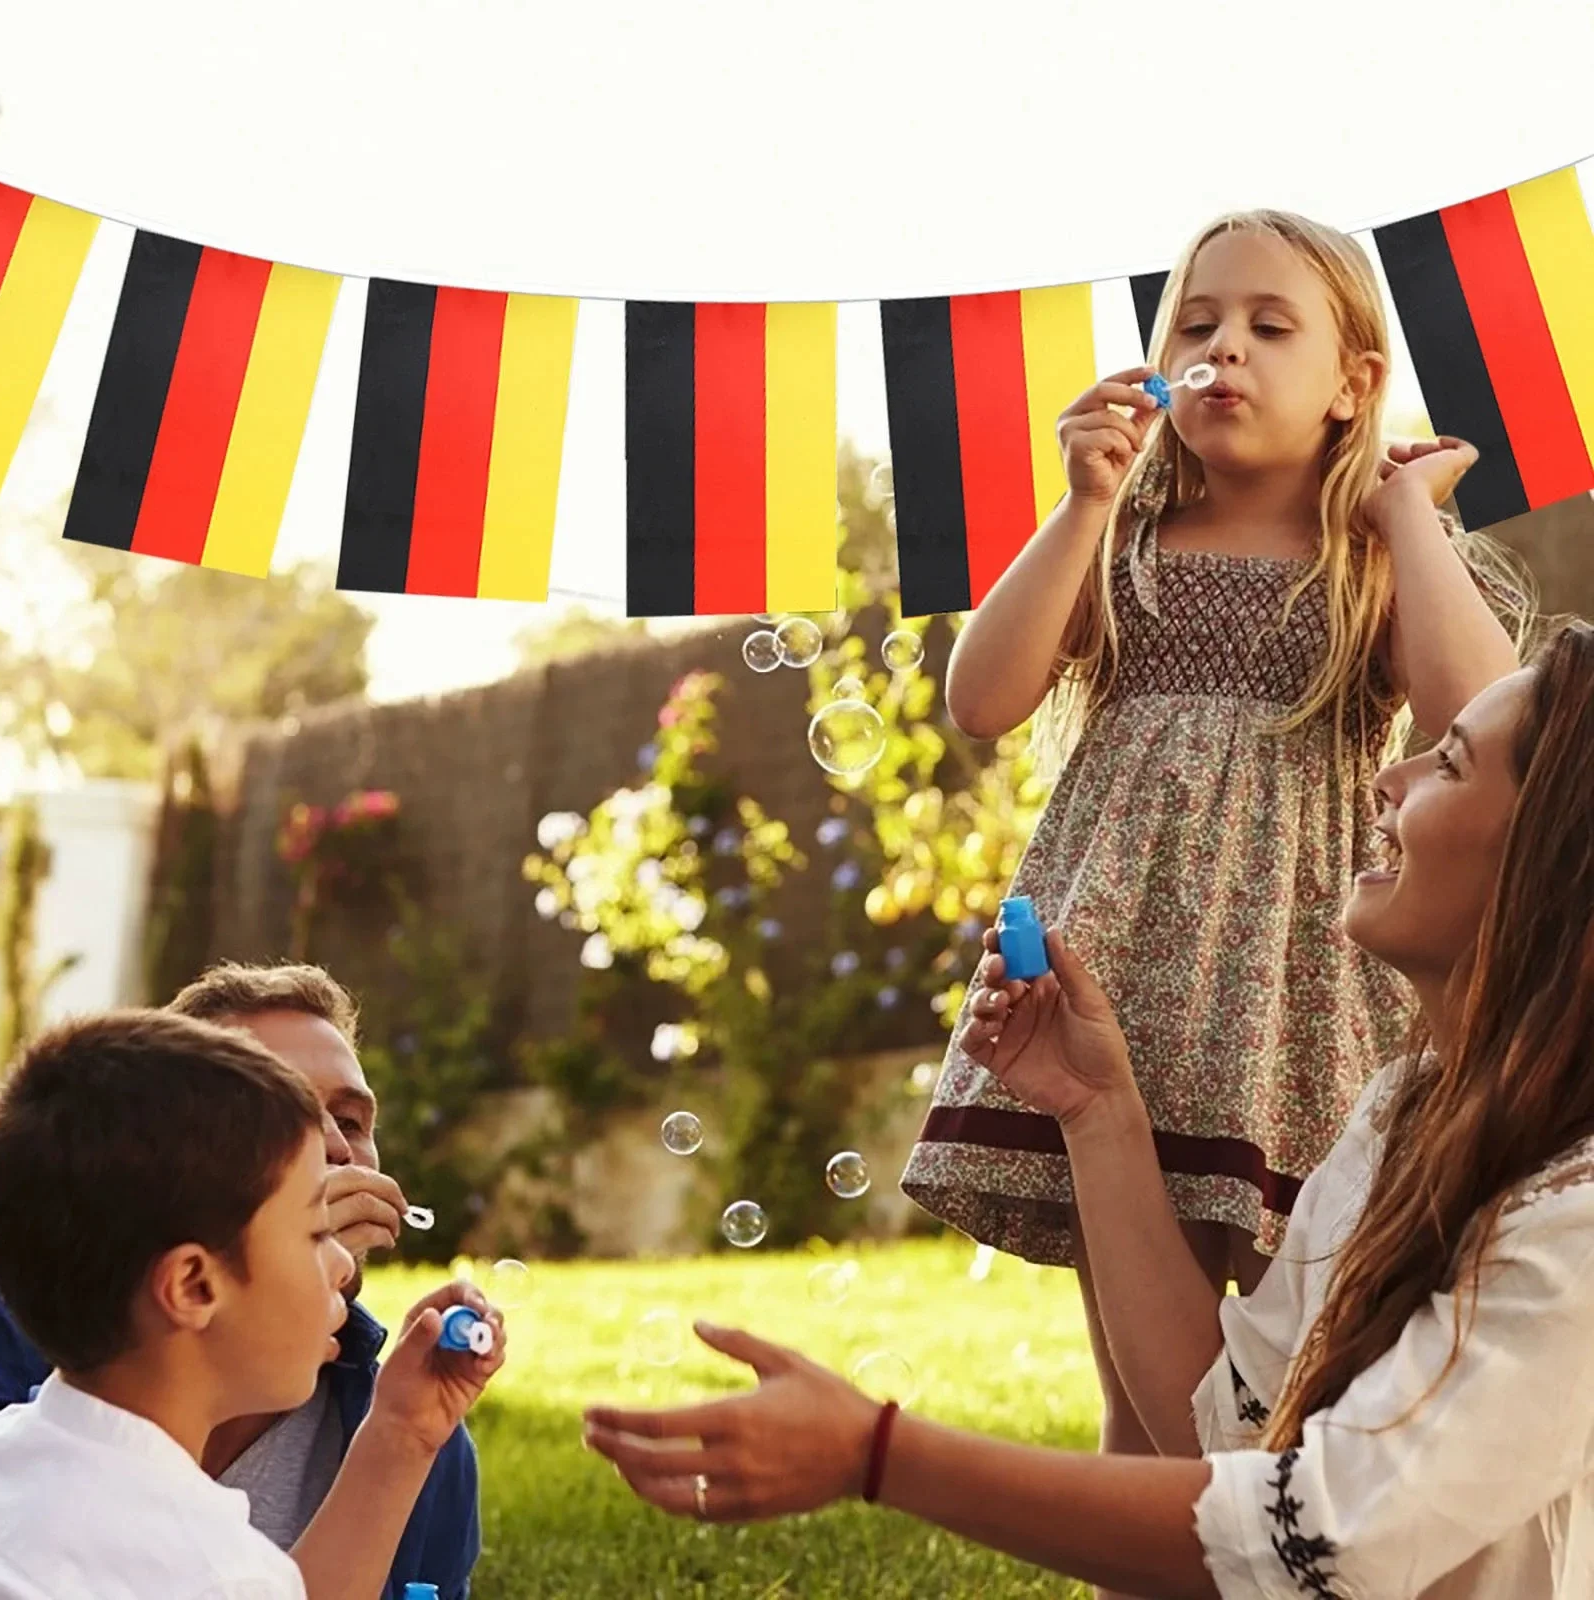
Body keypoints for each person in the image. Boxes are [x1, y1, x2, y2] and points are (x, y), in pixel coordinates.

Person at [584, 619, 1594, 1597]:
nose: (1387, 777)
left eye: (1448, 765)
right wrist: (1097, 1108)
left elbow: (1319, 1539)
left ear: (1550, 863)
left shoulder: (1577, 1217)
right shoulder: (1399, 1117)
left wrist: (878, 1452)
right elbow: (1228, 1430)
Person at [896, 207, 1531, 1600]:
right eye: (1196, 323)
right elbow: (983, 699)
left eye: (1269, 325)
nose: (1223, 349)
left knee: (1293, 1370)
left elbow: (1486, 716)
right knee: (1143, 1394)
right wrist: (1079, 503)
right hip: (1116, 988)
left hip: (1295, 1003)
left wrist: (1405, 515)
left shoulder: (1372, 554)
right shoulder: (1124, 534)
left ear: (1355, 382)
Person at [0, 962, 483, 1600]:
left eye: (352, 1122)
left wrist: (400, 1438)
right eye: (312, 1232)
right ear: (193, 1285)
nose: (339, 1150)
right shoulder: (229, 1571)